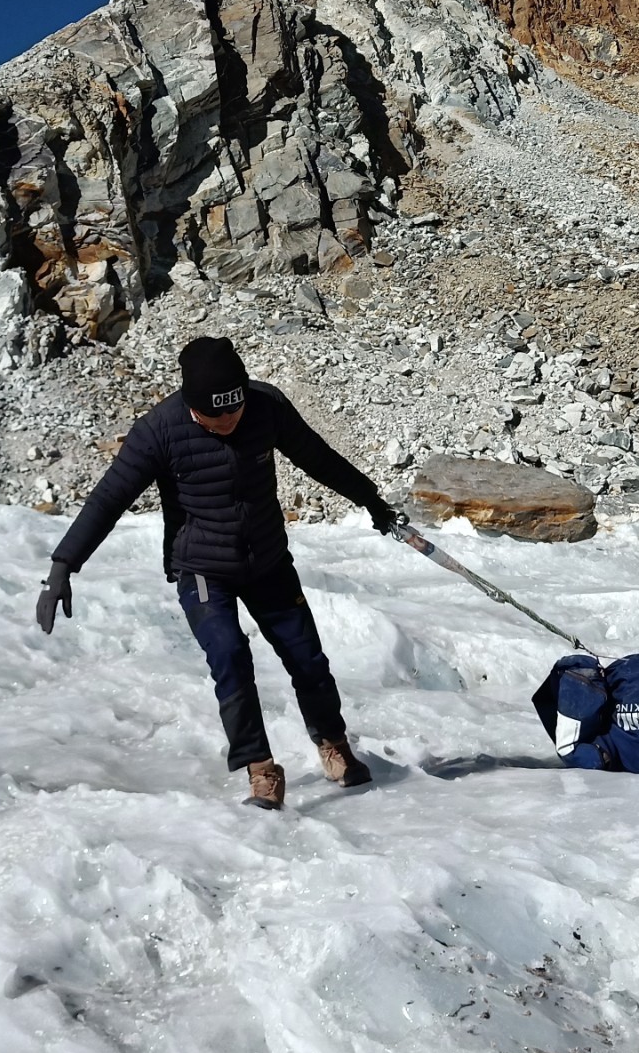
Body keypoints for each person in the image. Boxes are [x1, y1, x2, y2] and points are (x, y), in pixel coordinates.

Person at [35, 335, 400, 810]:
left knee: (307, 657)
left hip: (267, 560)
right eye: (216, 414)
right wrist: (63, 565)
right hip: (203, 567)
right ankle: (261, 770)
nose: (229, 420)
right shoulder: (159, 431)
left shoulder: (264, 406)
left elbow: (316, 456)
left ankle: (333, 743)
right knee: (229, 658)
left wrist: (370, 498)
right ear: (192, 405)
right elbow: (109, 498)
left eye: (235, 409)